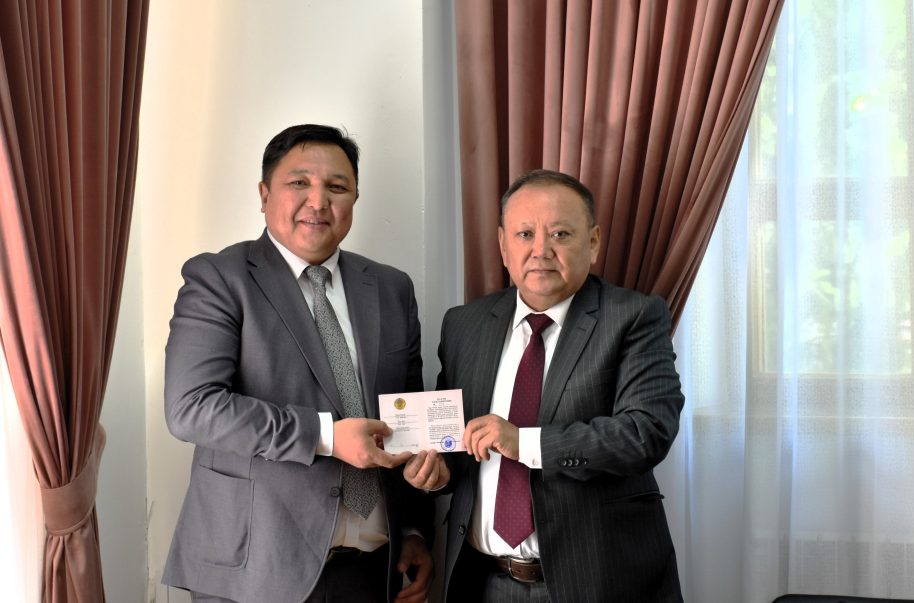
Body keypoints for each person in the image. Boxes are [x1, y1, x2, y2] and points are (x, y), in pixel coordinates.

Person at [162, 124, 433, 602]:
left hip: (373, 569)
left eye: (337, 187)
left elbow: (408, 415)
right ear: (264, 194)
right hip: (255, 569)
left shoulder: (391, 288)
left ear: (354, 198)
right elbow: (192, 408)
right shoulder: (220, 278)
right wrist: (324, 436)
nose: (318, 201)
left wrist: (413, 528)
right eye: (299, 183)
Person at [406, 169, 684, 602]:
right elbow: (459, 445)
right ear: (503, 246)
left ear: (593, 242)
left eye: (560, 234)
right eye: (524, 234)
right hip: (483, 583)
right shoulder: (464, 325)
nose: (541, 250)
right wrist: (436, 475)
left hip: (597, 583)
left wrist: (524, 442)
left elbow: (646, 433)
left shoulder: (634, 317)